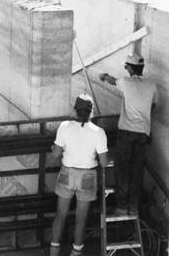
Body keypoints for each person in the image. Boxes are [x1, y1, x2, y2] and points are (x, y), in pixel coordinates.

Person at [50, 94, 109, 256]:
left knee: (60, 214)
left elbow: (55, 155)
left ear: (75, 109)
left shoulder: (64, 126)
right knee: (81, 219)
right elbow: (104, 162)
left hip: (67, 173)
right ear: (91, 111)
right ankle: (76, 252)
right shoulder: (99, 132)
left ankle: (53, 252)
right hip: (88, 177)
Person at [99, 52, 158, 215]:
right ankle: (133, 206)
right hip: (142, 133)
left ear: (130, 68)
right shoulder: (152, 85)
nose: (125, 69)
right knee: (137, 169)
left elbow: (112, 80)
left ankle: (121, 205)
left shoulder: (125, 82)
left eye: (126, 66)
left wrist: (103, 75)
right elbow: (153, 106)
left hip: (126, 132)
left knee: (123, 168)